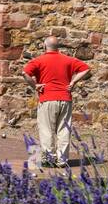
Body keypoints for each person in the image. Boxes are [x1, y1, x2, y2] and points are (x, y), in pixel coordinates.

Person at [22, 36, 92, 169]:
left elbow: (24, 73)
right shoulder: (68, 59)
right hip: (65, 98)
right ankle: (62, 160)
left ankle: (49, 159)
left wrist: (35, 85)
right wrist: (73, 82)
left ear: (44, 45)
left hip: (47, 98)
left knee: (46, 130)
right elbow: (86, 68)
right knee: (64, 130)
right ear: (57, 46)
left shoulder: (38, 60)